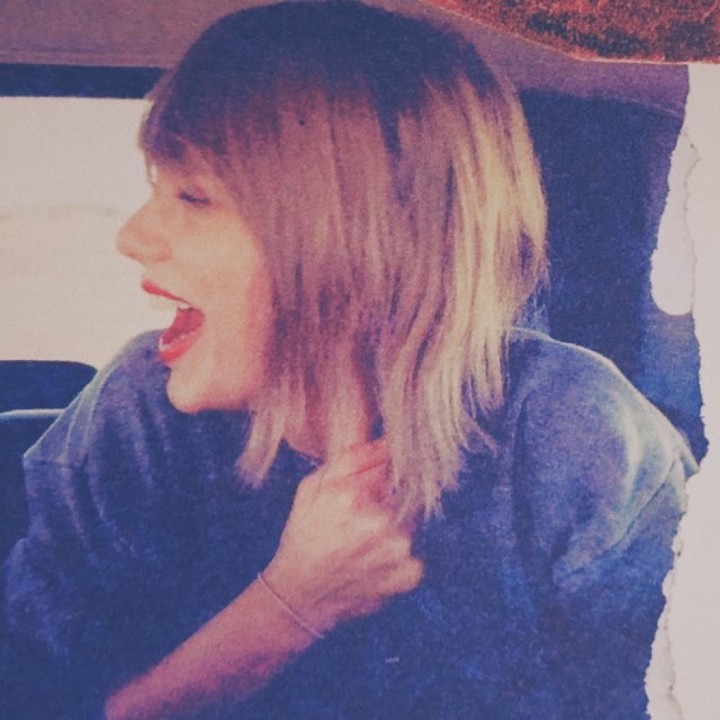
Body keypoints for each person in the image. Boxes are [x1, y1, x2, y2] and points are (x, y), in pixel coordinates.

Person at [3, 1, 696, 718]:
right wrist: (286, 607)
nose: (132, 236)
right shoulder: (137, 422)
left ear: (357, 243)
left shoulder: (576, 443)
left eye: (195, 197)